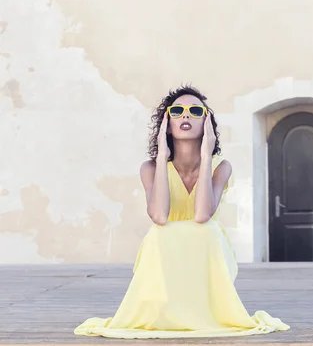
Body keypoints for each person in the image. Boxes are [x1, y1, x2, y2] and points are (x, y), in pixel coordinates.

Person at [74, 86, 290, 338]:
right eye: (177, 111)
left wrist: (206, 156)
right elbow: (159, 216)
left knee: (205, 229)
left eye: (195, 111)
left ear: (206, 121)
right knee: (159, 232)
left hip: (208, 248)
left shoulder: (221, 167)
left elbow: (202, 215)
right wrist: (162, 156)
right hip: (166, 249)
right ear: (167, 123)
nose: (185, 116)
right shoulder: (150, 169)